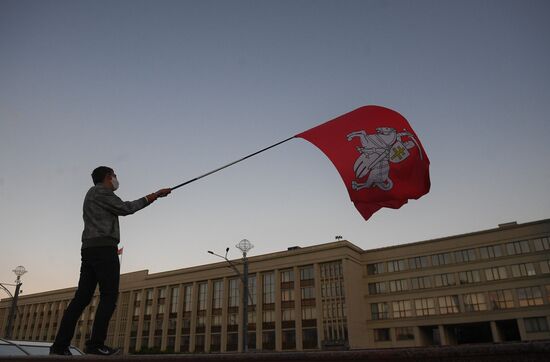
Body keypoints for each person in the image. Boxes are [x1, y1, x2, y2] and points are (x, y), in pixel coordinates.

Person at [49, 166, 171, 355]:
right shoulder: (101, 192)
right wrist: (154, 195)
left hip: (89, 249)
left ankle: (59, 347)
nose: (116, 179)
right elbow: (126, 208)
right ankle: (95, 345)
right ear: (107, 177)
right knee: (109, 296)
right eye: (114, 175)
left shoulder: (92, 194)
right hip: (104, 250)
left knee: (81, 299)